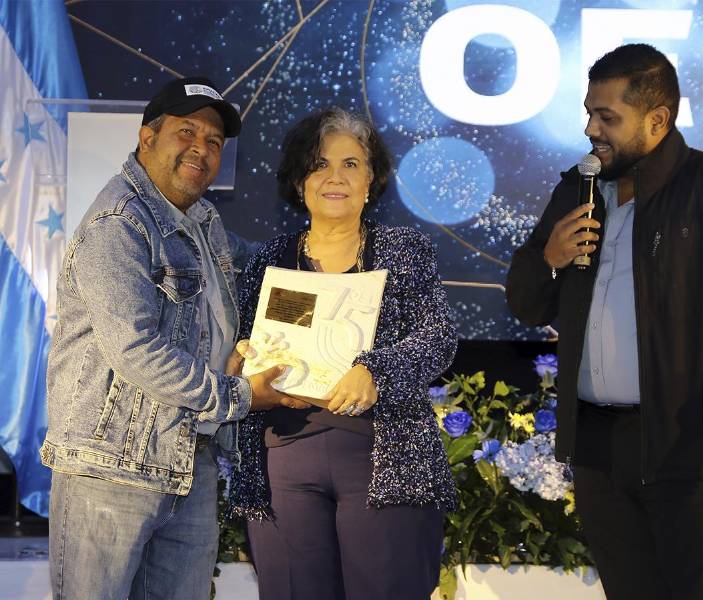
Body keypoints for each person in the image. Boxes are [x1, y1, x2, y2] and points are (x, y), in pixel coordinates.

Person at [506, 44, 703, 599]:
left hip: (693, 445)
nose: (592, 128)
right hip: (599, 448)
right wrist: (550, 258)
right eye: (590, 113)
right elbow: (526, 303)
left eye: (608, 117)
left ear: (657, 120)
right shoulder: (578, 188)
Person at [41, 76, 308, 600]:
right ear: (147, 138)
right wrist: (242, 395)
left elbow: (257, 273)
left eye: (213, 142)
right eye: (186, 132)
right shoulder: (118, 224)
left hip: (188, 464)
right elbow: (137, 350)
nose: (201, 149)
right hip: (110, 471)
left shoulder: (202, 221)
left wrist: (332, 248)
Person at [227, 107, 458, 600]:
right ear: (298, 180)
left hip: (384, 457)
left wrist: (376, 369)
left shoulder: (404, 250)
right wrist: (242, 360)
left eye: (351, 164)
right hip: (282, 463)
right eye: (319, 164)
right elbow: (242, 348)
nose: (335, 177)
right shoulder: (267, 260)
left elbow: (437, 336)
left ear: (372, 179)